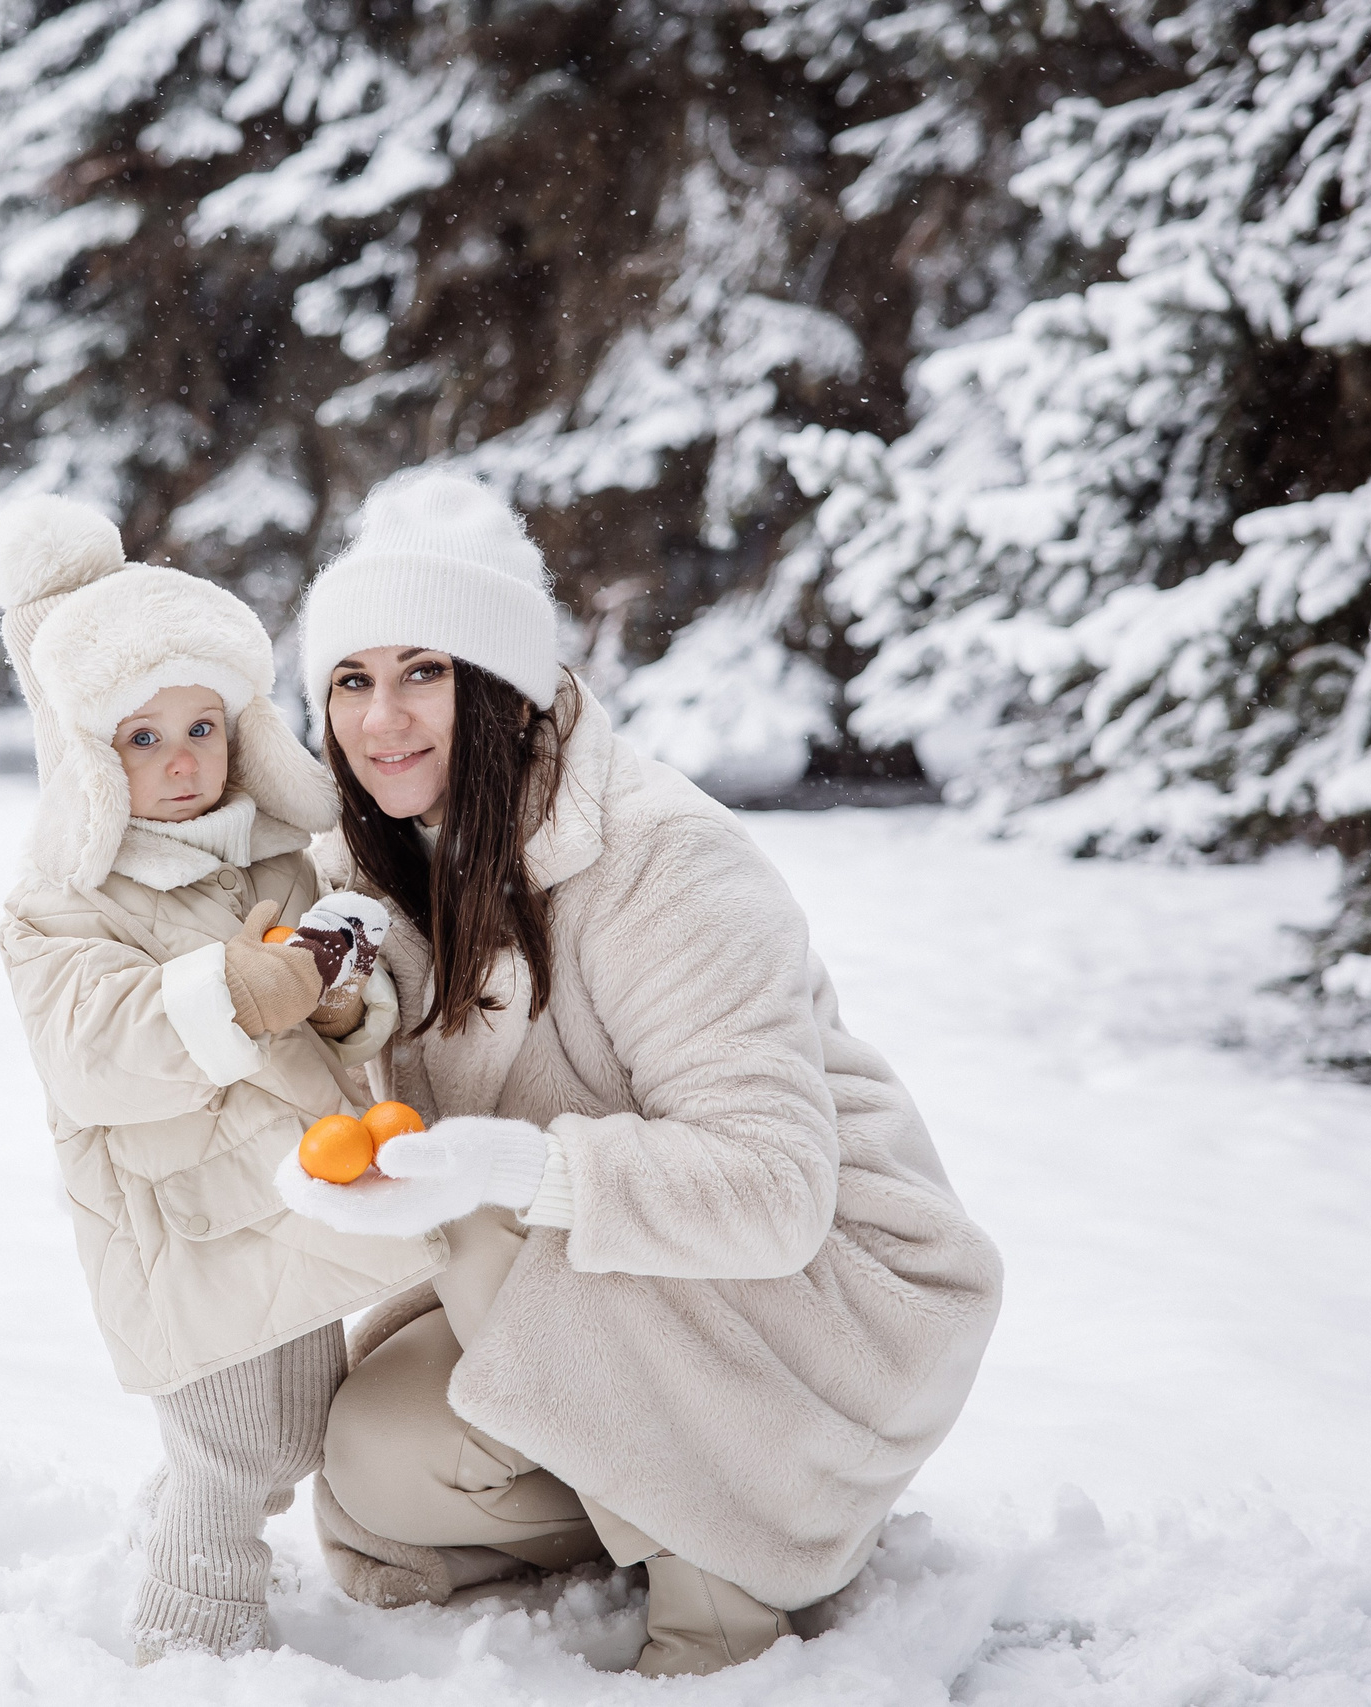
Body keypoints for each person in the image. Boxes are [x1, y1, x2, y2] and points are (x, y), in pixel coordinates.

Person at [275, 471, 1005, 1677]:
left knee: (486, 1225)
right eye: (350, 679)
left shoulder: (666, 859)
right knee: (380, 1459)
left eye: (425, 671)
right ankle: (654, 1502)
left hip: (821, 1299)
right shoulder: (387, 871)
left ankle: (734, 1570)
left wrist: (506, 1165)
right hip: (587, 1283)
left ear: (502, 689)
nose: (381, 718)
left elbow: (773, 1188)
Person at [0, 496, 445, 1663]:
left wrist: (341, 1000)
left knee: (283, 1433)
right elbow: (98, 1052)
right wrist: (230, 995)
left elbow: (330, 1029)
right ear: (88, 755)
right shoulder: (61, 903)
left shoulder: (274, 855)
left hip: (280, 1203)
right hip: (180, 1226)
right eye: (141, 738)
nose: (181, 761)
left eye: (203, 726)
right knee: (242, 1448)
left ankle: (166, 1535)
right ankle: (189, 1640)